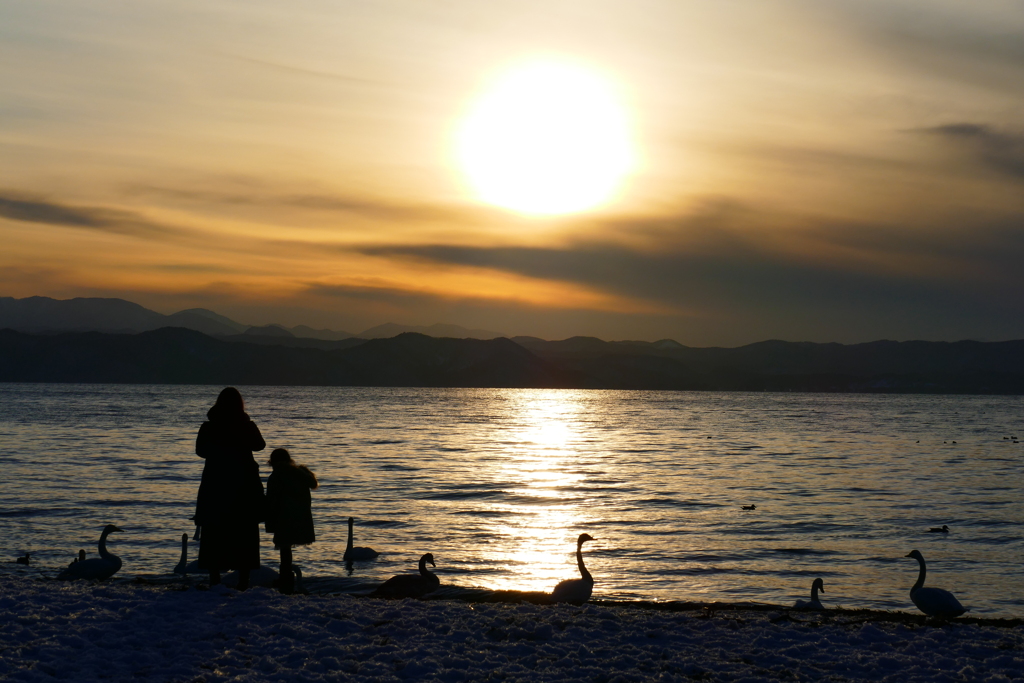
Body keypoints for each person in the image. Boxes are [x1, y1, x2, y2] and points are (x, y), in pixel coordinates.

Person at [194, 387, 266, 590]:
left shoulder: (209, 427)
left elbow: (201, 451)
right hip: (243, 484)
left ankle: (215, 578)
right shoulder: (246, 425)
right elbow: (260, 445)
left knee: (214, 530)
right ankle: (244, 580)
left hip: (216, 483)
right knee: (244, 531)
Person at [265, 448, 318, 593]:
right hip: (301, 518)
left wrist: (269, 522)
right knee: (286, 549)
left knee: (284, 549)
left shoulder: (276, 476)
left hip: (283, 518)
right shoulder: (300, 475)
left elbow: (271, 501)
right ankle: (287, 578)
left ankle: (285, 579)